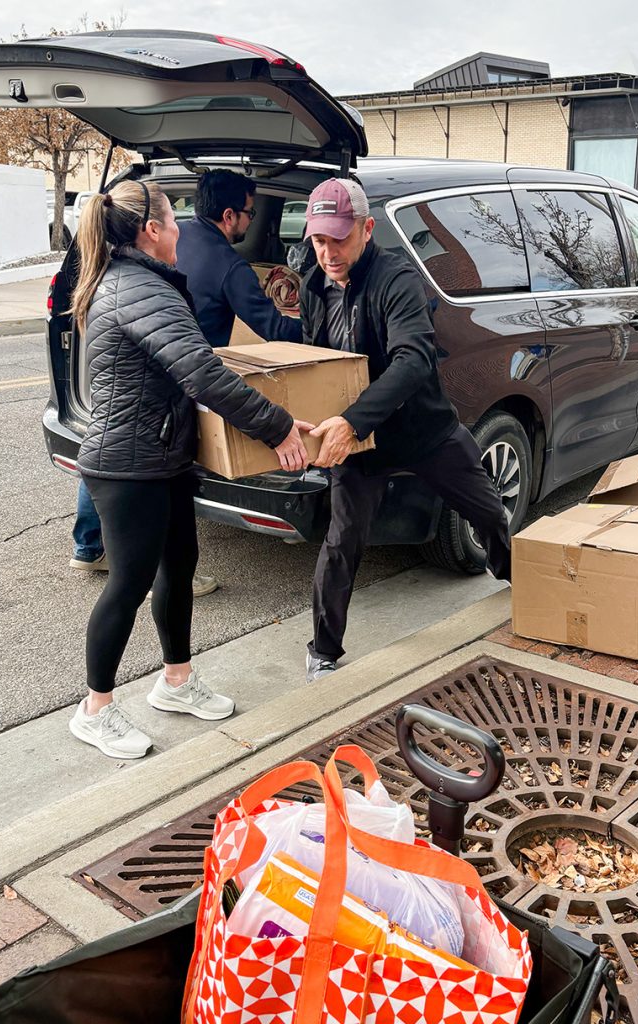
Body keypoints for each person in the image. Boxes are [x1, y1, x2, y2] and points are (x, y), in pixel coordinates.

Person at [67, 180, 312, 759]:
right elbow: (201, 372)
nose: (181, 232)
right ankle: (94, 708)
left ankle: (176, 681)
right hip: (127, 465)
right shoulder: (137, 288)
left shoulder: (140, 281)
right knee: (127, 584)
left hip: (162, 455)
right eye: (173, 223)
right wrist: (277, 427)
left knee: (178, 568)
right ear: (151, 231)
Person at [300, 178, 512, 684]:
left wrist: (352, 421)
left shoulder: (397, 279)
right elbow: (315, 364)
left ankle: (512, 575)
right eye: (318, 240)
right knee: (342, 538)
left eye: (339, 238)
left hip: (423, 430)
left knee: (486, 507)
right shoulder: (312, 282)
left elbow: (413, 359)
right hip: (359, 447)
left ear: (367, 229)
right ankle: (323, 651)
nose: (328, 252)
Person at [175, 168, 303, 348]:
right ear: (229, 216)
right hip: (195, 366)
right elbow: (275, 329)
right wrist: (319, 328)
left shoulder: (171, 234)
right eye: (250, 213)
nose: (250, 221)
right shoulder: (231, 267)